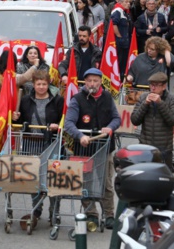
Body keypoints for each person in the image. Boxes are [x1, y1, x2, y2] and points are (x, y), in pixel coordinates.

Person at [64, 68, 120, 230]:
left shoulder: (107, 97)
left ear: (101, 81)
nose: (92, 84)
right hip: (84, 149)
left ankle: (109, 214)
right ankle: (91, 214)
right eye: (89, 81)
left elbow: (116, 118)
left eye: (95, 81)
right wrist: (80, 135)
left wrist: (110, 127)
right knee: (86, 182)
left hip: (104, 147)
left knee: (106, 183)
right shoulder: (77, 99)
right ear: (85, 82)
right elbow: (69, 123)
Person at [12, 70, 63, 222]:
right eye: (38, 84)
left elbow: (64, 119)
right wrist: (15, 118)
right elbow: (19, 123)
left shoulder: (57, 100)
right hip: (31, 143)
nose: (41, 87)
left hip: (50, 143)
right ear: (33, 85)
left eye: (44, 84)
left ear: (48, 85)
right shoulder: (25, 100)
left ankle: (54, 209)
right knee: (34, 177)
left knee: (53, 178)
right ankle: (37, 208)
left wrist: (57, 125)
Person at [131, 72, 174, 169]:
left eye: (156, 85)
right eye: (151, 85)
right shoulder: (143, 97)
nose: (153, 88)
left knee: (163, 177)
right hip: (145, 147)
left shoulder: (172, 99)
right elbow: (135, 120)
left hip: (164, 149)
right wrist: (145, 104)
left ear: (164, 86)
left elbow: (173, 120)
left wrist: (160, 103)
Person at [111, 0, 132, 78]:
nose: (128, 4)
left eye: (129, 2)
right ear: (121, 2)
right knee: (119, 62)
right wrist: (119, 36)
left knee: (124, 62)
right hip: (119, 42)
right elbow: (113, 24)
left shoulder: (125, 11)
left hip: (125, 42)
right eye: (126, 2)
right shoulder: (117, 11)